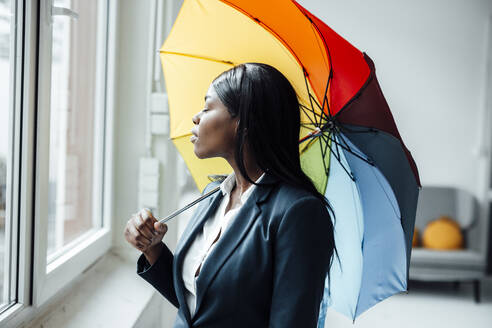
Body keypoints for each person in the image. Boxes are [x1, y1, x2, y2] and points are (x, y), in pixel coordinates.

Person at [124, 63, 338, 328]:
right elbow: (199, 304)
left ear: (244, 122)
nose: (196, 118)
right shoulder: (213, 195)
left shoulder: (299, 213)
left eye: (207, 107)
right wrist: (152, 247)